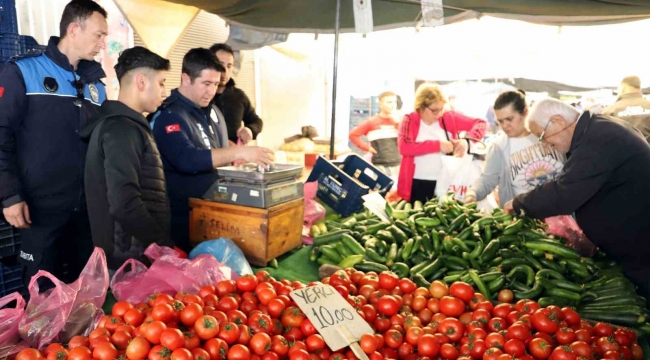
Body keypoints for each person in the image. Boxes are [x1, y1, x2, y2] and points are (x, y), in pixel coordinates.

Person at [0, 0, 108, 286]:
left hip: (87, 211)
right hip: (39, 209)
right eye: (99, 35)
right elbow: (1, 136)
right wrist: (9, 195)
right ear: (74, 29)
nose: (103, 44)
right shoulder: (22, 72)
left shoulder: (97, 85)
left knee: (84, 293)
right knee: (40, 294)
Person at [503, 98, 650, 299]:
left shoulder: (599, 139)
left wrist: (520, 203)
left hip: (643, 249)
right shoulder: (596, 129)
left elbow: (565, 192)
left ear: (558, 122)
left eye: (542, 137)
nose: (546, 145)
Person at [151, 48, 274, 252]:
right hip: (183, 222)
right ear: (186, 79)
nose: (211, 91)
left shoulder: (213, 110)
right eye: (206, 84)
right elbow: (186, 159)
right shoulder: (169, 115)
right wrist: (239, 153)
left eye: (216, 84)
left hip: (216, 216)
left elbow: (220, 155)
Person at [82, 47, 174, 271]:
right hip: (127, 260)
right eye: (161, 83)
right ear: (141, 82)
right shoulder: (121, 130)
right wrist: (162, 246)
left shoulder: (127, 126)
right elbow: (124, 203)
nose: (165, 92)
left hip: (134, 253)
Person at [465, 90, 566, 206]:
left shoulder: (548, 132)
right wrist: (472, 194)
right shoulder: (499, 147)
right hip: (525, 216)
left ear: (525, 112)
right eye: (500, 121)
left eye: (509, 119)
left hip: (561, 209)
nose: (505, 126)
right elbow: (487, 180)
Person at [397, 84, 487, 203]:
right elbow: (404, 147)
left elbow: (481, 123)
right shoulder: (409, 119)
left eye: (441, 109)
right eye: (434, 110)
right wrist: (438, 145)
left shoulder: (448, 117)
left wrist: (467, 141)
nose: (439, 114)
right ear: (420, 107)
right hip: (417, 183)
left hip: (447, 182)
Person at [209, 43, 263, 145]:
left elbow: (256, 121)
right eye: (220, 65)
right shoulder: (201, 97)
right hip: (208, 157)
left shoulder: (239, 96)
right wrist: (224, 143)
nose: (225, 71)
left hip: (235, 158)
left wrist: (250, 130)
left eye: (229, 66)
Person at [349, 91, 401, 177]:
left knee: (398, 189)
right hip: (380, 165)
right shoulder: (372, 122)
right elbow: (353, 135)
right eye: (389, 102)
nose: (392, 105)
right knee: (382, 189)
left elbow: (408, 138)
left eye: (394, 102)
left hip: (398, 163)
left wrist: (397, 122)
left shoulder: (399, 121)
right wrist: (367, 148)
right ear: (381, 104)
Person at [603, 76, 650, 142]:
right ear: (640, 89)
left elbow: (604, 138)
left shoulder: (610, 110)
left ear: (622, 88)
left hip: (621, 150)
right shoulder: (648, 105)